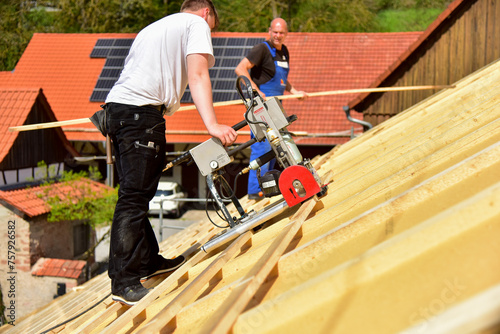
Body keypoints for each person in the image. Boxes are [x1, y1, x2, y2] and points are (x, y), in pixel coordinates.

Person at [104, 0, 237, 306]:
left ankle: (148, 262)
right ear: (206, 12)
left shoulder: (154, 27)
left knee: (137, 193)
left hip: (119, 112)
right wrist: (213, 125)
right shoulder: (196, 24)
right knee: (134, 197)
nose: (210, 34)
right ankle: (123, 281)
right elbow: (198, 75)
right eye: (213, 27)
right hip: (141, 115)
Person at [235, 18, 307, 200]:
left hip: (275, 105)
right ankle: (254, 191)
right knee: (263, 145)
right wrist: (256, 91)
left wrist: (294, 91)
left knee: (278, 144)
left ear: (286, 33)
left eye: (281, 32)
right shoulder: (261, 49)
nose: (277, 35)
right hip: (260, 107)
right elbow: (240, 69)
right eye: (275, 32)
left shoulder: (284, 52)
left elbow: (281, 79)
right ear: (269, 31)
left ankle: (272, 185)